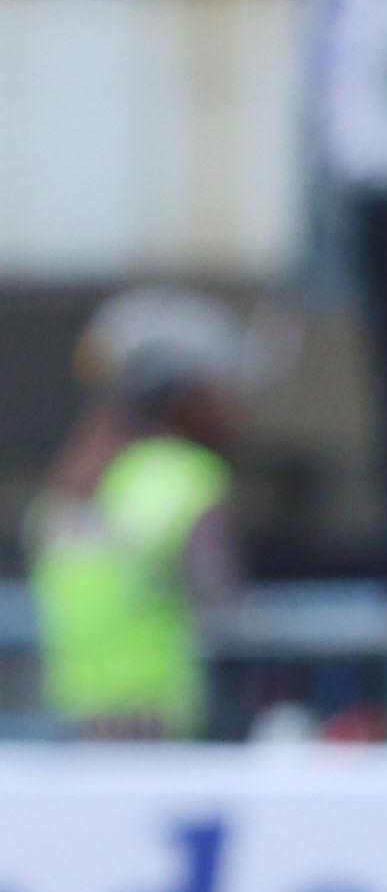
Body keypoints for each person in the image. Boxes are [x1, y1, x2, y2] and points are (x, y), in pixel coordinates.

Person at [19, 289, 252, 739]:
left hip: (78, 721)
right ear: (185, 392)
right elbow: (226, 610)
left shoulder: (73, 486)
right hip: (161, 720)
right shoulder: (186, 477)